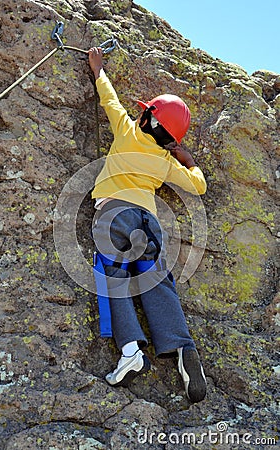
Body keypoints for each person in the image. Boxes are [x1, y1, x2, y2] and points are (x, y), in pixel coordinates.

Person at [88, 47, 207, 403]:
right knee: (157, 281)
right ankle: (182, 346)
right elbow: (198, 186)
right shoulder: (166, 164)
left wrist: (98, 69)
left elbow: (109, 99)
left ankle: (130, 351)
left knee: (113, 274)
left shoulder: (126, 131)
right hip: (150, 221)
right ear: (170, 141)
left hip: (114, 214)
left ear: (145, 118)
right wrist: (188, 161)